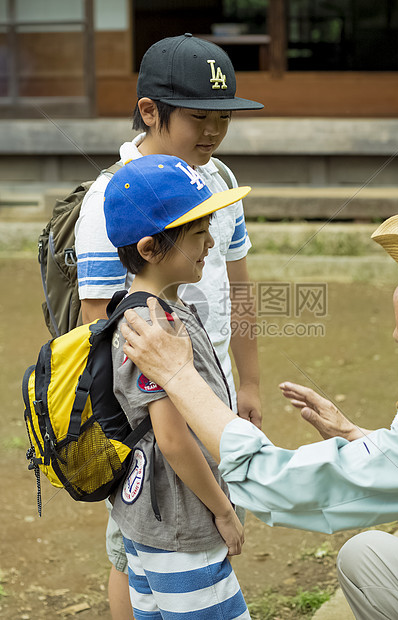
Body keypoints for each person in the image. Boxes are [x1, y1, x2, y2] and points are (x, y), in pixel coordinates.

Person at [119, 210, 398, 620]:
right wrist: (353, 435)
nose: (394, 292)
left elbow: (285, 484)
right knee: (365, 556)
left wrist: (179, 376)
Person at [74, 33, 263, 617]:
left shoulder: (221, 184)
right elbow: (100, 327)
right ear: (150, 111)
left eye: (222, 120)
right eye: (198, 119)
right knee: (134, 552)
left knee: (184, 540)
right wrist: (153, 414)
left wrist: (248, 384)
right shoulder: (113, 199)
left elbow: (241, 288)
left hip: (211, 389)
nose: (212, 133)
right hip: (153, 421)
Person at [103, 153, 252, 619]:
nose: (211, 243)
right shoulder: (151, 326)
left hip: (149, 522)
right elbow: (171, 437)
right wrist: (223, 512)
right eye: (197, 233)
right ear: (150, 248)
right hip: (183, 524)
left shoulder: (158, 306)